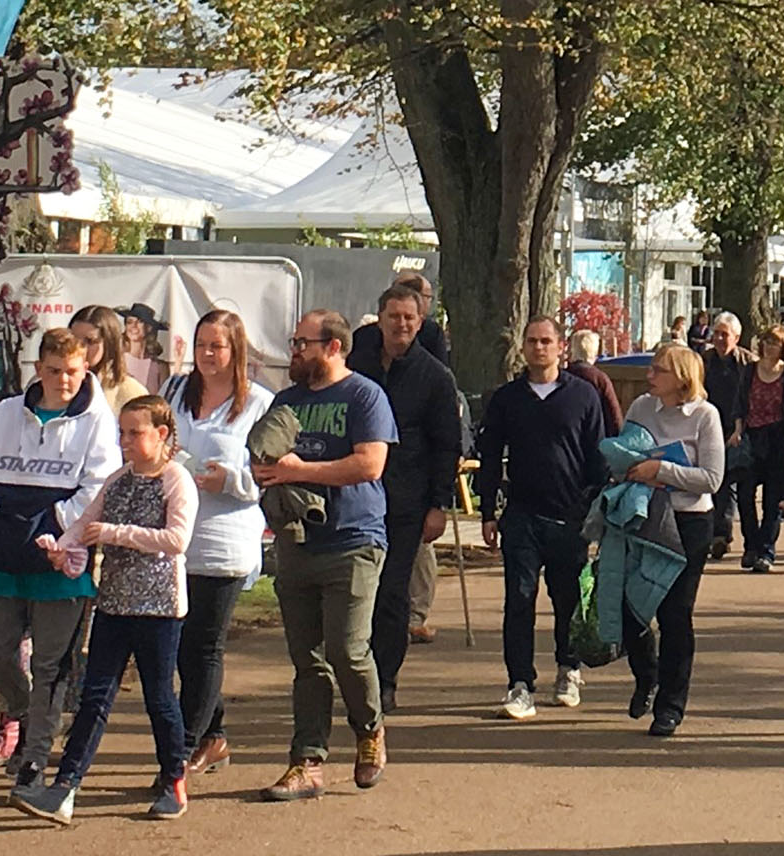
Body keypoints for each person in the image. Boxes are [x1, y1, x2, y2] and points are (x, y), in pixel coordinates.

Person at [13, 395, 199, 824]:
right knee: (94, 696)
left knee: (159, 698)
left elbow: (177, 540)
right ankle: (65, 786)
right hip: (114, 604)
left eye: (136, 433)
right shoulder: (118, 479)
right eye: (122, 432)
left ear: (162, 435)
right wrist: (60, 547)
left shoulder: (177, 480)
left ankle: (174, 778)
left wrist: (115, 534)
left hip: (160, 609)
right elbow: (84, 524)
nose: (126, 441)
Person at [0, 327, 121, 790]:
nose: (64, 380)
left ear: (84, 368)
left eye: (72, 372)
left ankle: (33, 763)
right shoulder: (7, 412)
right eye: (54, 371)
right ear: (39, 369)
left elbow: (99, 486)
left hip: (60, 561)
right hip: (2, 555)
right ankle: (21, 706)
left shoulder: (97, 419)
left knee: (50, 664)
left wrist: (57, 528)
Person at [253, 309, 396, 801]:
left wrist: (299, 470)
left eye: (302, 343)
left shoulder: (363, 395)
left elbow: (370, 463)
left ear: (333, 347)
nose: (294, 352)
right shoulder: (286, 400)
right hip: (297, 543)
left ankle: (369, 729)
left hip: (354, 540)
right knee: (307, 661)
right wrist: (267, 470)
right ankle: (307, 761)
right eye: (293, 343)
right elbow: (266, 460)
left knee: (347, 650)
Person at [475, 315, 608, 721]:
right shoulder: (507, 398)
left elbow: (598, 457)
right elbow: (490, 456)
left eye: (546, 341)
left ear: (560, 347)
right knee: (519, 599)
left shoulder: (583, 396)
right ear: (523, 347)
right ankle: (519, 683)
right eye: (532, 341)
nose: (539, 348)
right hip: (521, 515)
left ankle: (569, 668)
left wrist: (595, 510)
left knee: (567, 598)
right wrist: (487, 511)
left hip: (570, 516)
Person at [163, 309, 273, 778]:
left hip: (225, 542)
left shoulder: (260, 405)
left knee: (204, 647)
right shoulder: (173, 392)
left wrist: (232, 480)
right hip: (174, 540)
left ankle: (185, 747)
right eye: (202, 344)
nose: (208, 355)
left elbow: (269, 474)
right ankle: (216, 734)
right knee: (179, 647)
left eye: (218, 346)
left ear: (236, 351)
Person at [356, 283, 462, 714]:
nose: (401, 324)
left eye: (410, 318)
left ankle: (385, 680)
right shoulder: (355, 366)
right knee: (353, 596)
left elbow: (446, 446)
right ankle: (352, 676)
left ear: (420, 323)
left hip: (407, 502)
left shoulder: (435, 377)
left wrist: (439, 504)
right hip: (355, 499)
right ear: (380, 318)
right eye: (394, 316)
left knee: (391, 594)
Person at [618, 342, 726, 737]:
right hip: (643, 515)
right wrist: (627, 466)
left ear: (681, 378)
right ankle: (647, 675)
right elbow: (623, 454)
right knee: (631, 606)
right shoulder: (640, 409)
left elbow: (711, 479)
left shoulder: (705, 416)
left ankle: (671, 706)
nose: (650, 376)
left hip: (688, 521)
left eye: (658, 370)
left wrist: (660, 469)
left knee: (675, 613)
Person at [736, 323, 784, 572]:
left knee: (772, 501)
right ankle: (750, 546)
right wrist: (737, 431)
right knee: (744, 496)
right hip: (752, 439)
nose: (769, 346)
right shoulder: (749, 370)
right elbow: (740, 403)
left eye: (775, 342)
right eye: (767, 341)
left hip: (779, 440)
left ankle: (767, 551)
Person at [696, 312, 751, 560]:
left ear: (736, 338)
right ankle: (719, 534)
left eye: (724, 334)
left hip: (738, 429)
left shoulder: (748, 363)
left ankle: (725, 535)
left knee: (730, 483)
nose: (718, 338)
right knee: (716, 483)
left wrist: (740, 428)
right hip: (708, 428)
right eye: (715, 333)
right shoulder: (704, 361)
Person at [71, 305, 148, 412]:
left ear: (109, 343)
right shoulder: (54, 384)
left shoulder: (132, 392)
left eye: (90, 341)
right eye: (73, 340)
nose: (79, 348)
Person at [567, 328, 626, 436]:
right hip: (596, 437)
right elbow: (614, 416)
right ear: (594, 350)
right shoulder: (599, 379)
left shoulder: (564, 376)